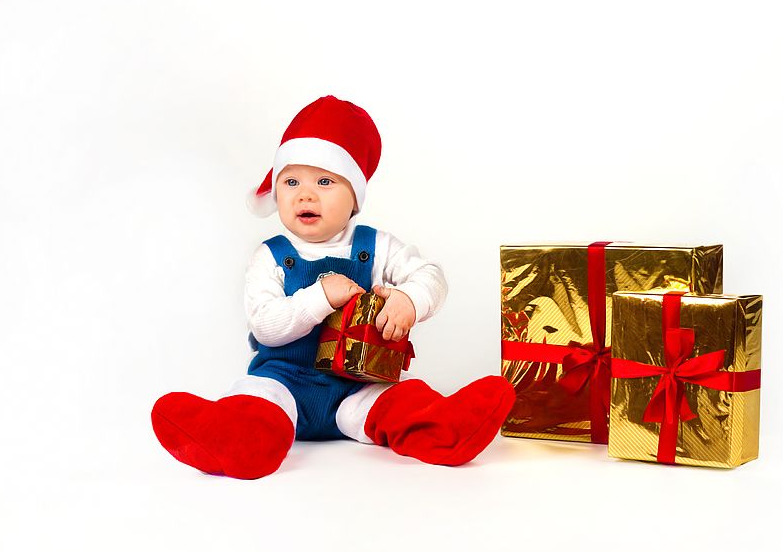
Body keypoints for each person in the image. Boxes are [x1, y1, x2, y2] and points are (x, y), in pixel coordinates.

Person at [151, 95, 515, 479]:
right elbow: (265, 327)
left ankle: (444, 429)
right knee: (255, 404)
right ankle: (236, 442)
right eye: (291, 181)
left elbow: (431, 275)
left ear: (354, 197)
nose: (305, 195)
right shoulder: (271, 255)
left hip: (358, 385)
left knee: (405, 400)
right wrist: (318, 298)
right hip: (283, 385)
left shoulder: (376, 247)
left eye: (325, 181)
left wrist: (410, 298)